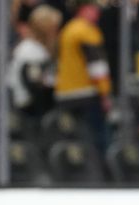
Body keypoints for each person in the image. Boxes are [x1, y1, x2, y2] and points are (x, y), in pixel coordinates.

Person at [55, 0, 112, 157]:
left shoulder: (67, 30)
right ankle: (101, 175)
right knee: (98, 140)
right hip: (87, 95)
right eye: (94, 9)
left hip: (65, 95)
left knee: (74, 139)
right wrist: (104, 93)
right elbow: (97, 66)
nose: (97, 13)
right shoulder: (87, 31)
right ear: (84, 8)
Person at [8, 4, 62, 118]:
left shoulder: (39, 48)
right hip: (27, 106)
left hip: (34, 102)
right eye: (55, 28)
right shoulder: (30, 50)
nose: (57, 33)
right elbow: (35, 83)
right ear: (46, 29)